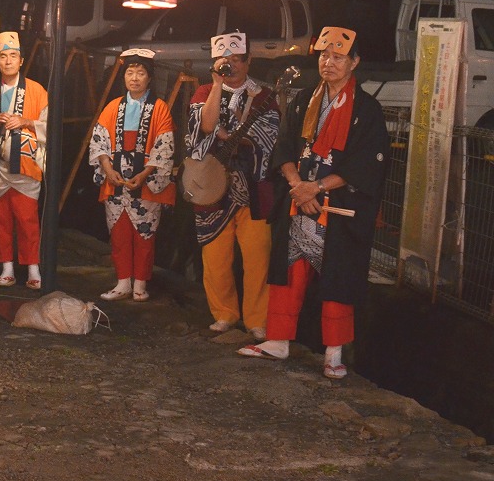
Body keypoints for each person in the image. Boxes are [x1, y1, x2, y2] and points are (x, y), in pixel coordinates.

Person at [239, 27, 389, 380]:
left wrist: (316, 188)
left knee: (338, 279)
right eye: (324, 55)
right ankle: (278, 340)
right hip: (299, 202)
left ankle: (334, 353)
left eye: (338, 57)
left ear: (355, 62)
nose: (329, 63)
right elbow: (284, 147)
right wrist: (298, 187)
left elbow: (365, 163)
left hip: (337, 208)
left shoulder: (367, 109)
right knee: (288, 273)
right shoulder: (305, 98)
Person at [186, 32, 280, 338]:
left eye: (238, 59)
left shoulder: (264, 96)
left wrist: (243, 134)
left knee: (258, 257)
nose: (232, 66)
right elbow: (205, 126)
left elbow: (271, 138)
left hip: (252, 188)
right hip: (212, 187)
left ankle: (257, 319)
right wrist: (217, 84)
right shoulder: (204, 91)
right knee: (215, 256)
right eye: (225, 61)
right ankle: (224, 313)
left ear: (249, 60)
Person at [89, 48, 176, 302]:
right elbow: (99, 142)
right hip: (115, 179)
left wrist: (146, 173)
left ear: (150, 77)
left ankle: (140, 284)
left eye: (140, 73)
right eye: (130, 72)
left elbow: (164, 145)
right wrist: (107, 169)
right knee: (119, 233)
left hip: (146, 181)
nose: (135, 78)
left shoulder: (159, 108)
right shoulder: (113, 106)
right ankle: (122, 282)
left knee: (144, 234)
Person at [0, 31, 48, 289]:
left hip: (26, 164)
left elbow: (49, 125)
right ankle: (6, 268)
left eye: (13, 56)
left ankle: (33, 268)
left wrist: (26, 121)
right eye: (3, 57)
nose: (8, 61)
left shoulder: (37, 90)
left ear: (21, 60)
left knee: (27, 218)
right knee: (0, 218)